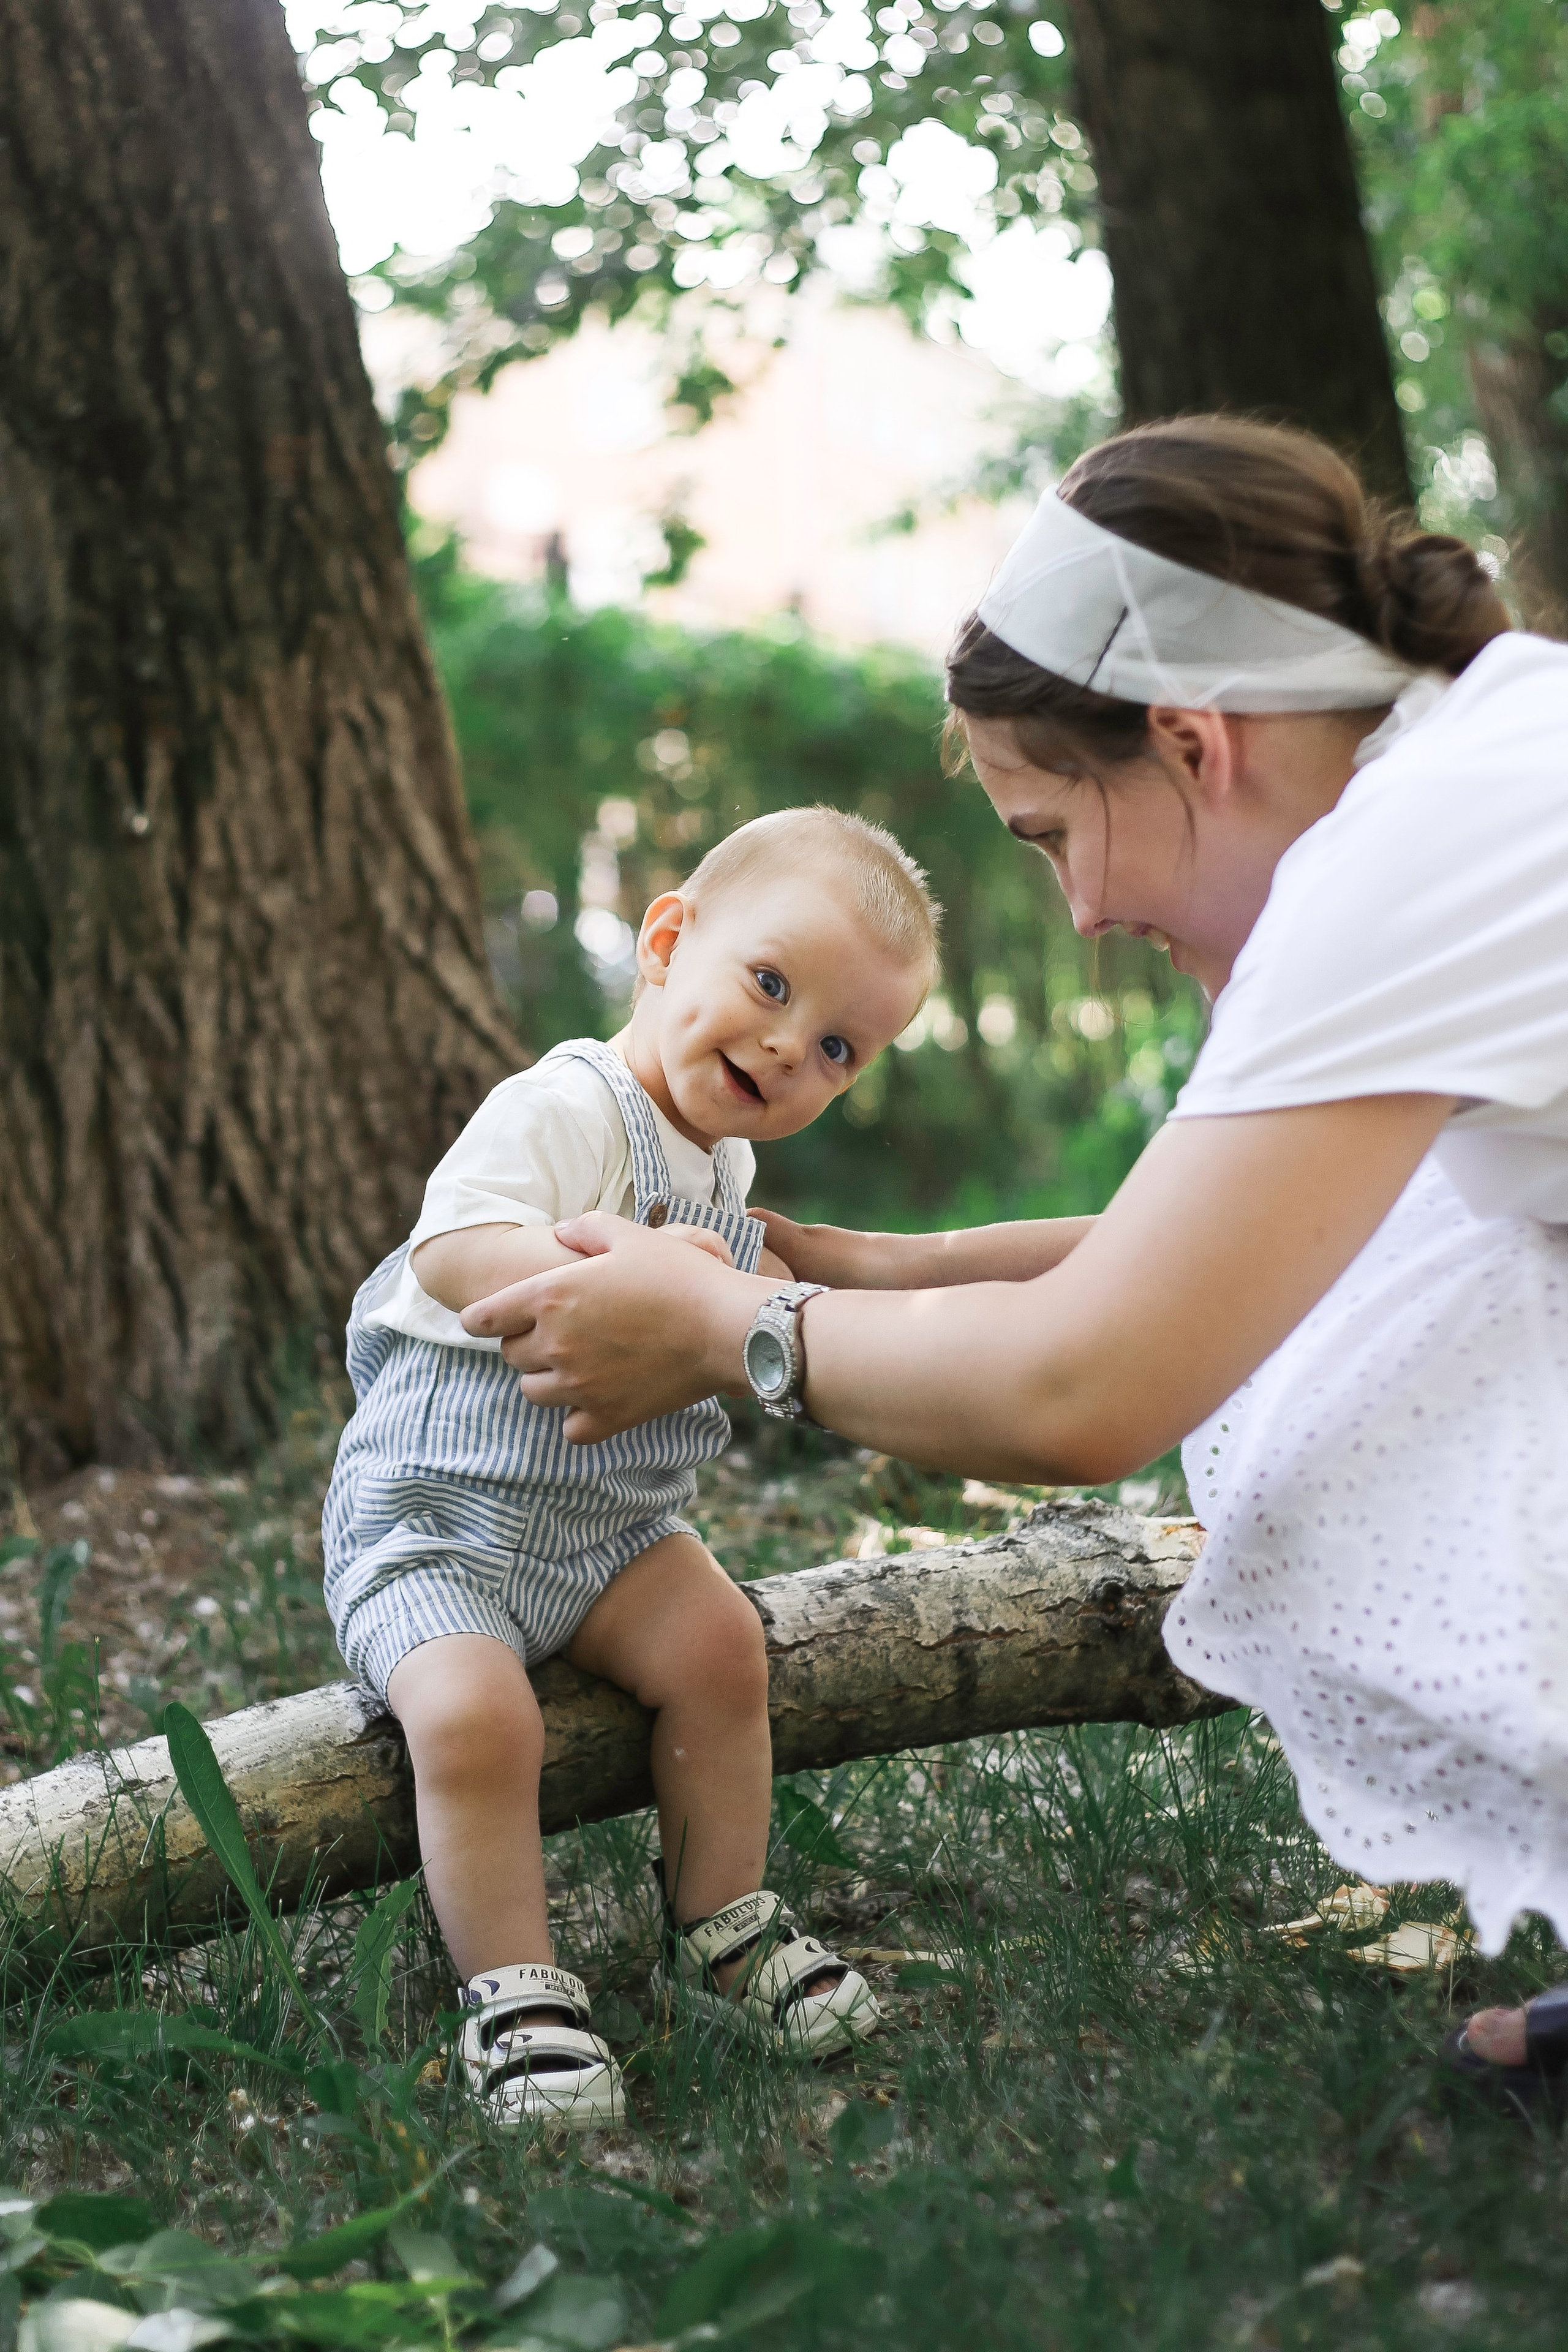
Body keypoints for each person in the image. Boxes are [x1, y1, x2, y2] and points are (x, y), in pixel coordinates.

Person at [463, 418, 1568, 2117]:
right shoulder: (1472, 762)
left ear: (1194, 745)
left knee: (1386, 1403)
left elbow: (1089, 1384)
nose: (1080, 913)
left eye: (1054, 834)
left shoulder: (1401, 866)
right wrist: (880, 1273)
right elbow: (1233, 1247)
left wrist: (726, 1324)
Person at [323, 805, 938, 2128]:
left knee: (721, 1648)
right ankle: (514, 1992)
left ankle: (719, 1920)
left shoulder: (725, 1166)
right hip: (437, 1527)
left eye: (834, 1044)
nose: (786, 1045)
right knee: (481, 1721)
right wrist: (633, 1282)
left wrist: (742, 1285)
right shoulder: (563, 1105)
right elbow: (452, 1249)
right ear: (667, 941)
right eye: (769, 985)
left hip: (605, 1536)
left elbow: (763, 1295)